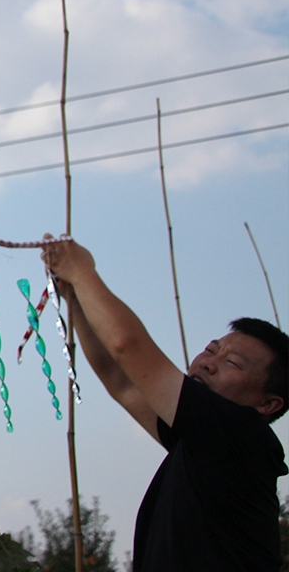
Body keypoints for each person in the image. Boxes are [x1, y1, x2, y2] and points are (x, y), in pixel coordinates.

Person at [41, 234, 288, 572]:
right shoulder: (200, 444)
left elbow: (126, 345)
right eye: (213, 349)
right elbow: (122, 381)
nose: (207, 362)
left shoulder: (241, 435)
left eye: (232, 363)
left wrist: (83, 271)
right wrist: (76, 299)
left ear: (269, 404)